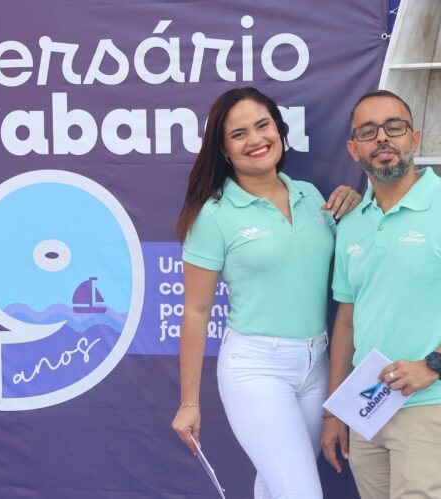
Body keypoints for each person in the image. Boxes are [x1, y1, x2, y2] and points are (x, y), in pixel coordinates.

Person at [320, 89, 441, 499]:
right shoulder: (352, 222)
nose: (382, 138)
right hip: (368, 406)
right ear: (354, 149)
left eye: (394, 127)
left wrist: (432, 365)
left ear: (415, 137)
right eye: (368, 132)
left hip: (432, 402)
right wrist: (334, 411)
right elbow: (347, 321)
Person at [170, 87, 361, 499]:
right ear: (223, 149)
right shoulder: (214, 215)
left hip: (316, 365)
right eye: (239, 134)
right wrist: (189, 403)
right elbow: (196, 313)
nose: (256, 140)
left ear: (279, 130)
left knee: (276, 488)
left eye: (263, 126)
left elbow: (357, 248)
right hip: (256, 369)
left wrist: (357, 204)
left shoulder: (311, 196)